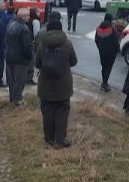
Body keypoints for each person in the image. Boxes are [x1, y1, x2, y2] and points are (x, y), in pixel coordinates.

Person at [34, 12, 77, 148]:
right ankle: (60, 140)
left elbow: (37, 64)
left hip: (45, 85)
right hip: (63, 86)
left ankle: (49, 139)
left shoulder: (42, 44)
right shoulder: (67, 43)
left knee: (47, 112)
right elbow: (74, 61)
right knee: (62, 112)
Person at [5, 8, 35, 106]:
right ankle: (17, 101)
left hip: (10, 56)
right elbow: (26, 47)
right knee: (19, 81)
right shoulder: (24, 28)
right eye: (28, 16)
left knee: (12, 81)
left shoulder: (11, 24)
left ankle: (12, 99)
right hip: (20, 59)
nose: (29, 18)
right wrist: (30, 56)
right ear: (23, 17)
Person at [94, 14, 121, 92]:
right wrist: (116, 51)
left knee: (104, 67)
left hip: (102, 52)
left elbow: (96, 40)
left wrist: (100, 48)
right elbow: (116, 42)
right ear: (111, 20)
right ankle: (104, 84)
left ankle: (104, 82)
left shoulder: (98, 28)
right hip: (111, 53)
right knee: (108, 68)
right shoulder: (112, 29)